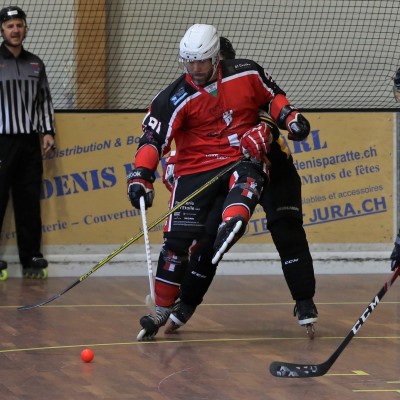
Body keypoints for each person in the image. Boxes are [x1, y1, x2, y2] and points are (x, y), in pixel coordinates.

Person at [127, 24, 311, 340]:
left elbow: (274, 99)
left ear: (217, 59)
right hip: (200, 170)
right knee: (183, 243)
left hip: (260, 164)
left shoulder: (246, 75)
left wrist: (291, 119)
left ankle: (303, 300)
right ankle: (167, 308)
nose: (196, 69)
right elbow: (154, 139)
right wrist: (143, 175)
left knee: (283, 224)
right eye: (190, 62)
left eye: (203, 61)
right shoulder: (173, 97)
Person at [0, 6, 56, 281]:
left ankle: (31, 257)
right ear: (2, 30)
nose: (15, 30)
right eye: (10, 26)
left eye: (19, 25)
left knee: (29, 202)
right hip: (1, 142)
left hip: (29, 143)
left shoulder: (36, 63)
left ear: (25, 28)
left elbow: (44, 101)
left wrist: (48, 132)